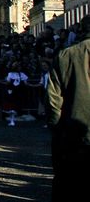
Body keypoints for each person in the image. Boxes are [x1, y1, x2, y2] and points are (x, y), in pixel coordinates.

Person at [48, 16, 90, 201]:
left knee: (69, 184)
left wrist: (57, 130)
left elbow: (53, 99)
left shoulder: (66, 56)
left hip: (71, 132)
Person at [0, 61, 28, 126]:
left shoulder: (22, 74)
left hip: (19, 92)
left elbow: (25, 84)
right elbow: (8, 83)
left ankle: (13, 119)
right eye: (17, 67)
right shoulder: (10, 74)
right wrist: (0, 82)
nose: (19, 68)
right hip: (12, 92)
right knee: (11, 106)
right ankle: (12, 120)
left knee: (16, 106)